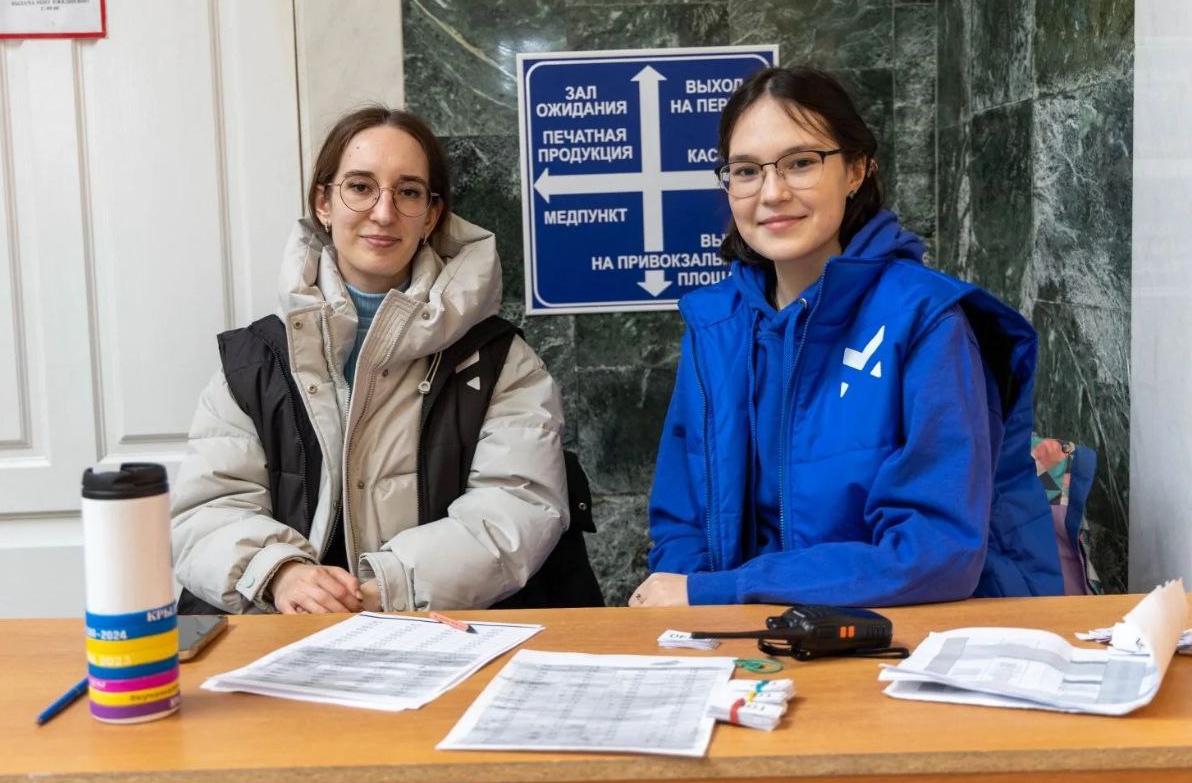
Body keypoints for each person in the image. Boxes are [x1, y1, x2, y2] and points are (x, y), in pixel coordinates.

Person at [632, 67, 1062, 608]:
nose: (772, 192)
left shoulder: (924, 319)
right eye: (746, 171)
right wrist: (698, 614)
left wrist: (724, 591)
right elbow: (682, 521)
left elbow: (935, 552)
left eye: (801, 163)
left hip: (903, 634)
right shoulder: (716, 326)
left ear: (856, 169)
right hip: (749, 635)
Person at [172, 105, 599, 615]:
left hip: (444, 635)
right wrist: (280, 574)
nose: (383, 211)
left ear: (432, 216)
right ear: (323, 203)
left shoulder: (501, 362)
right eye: (360, 186)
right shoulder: (252, 364)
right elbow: (209, 509)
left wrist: (384, 589)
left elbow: (516, 507)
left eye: (409, 191)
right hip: (283, 633)